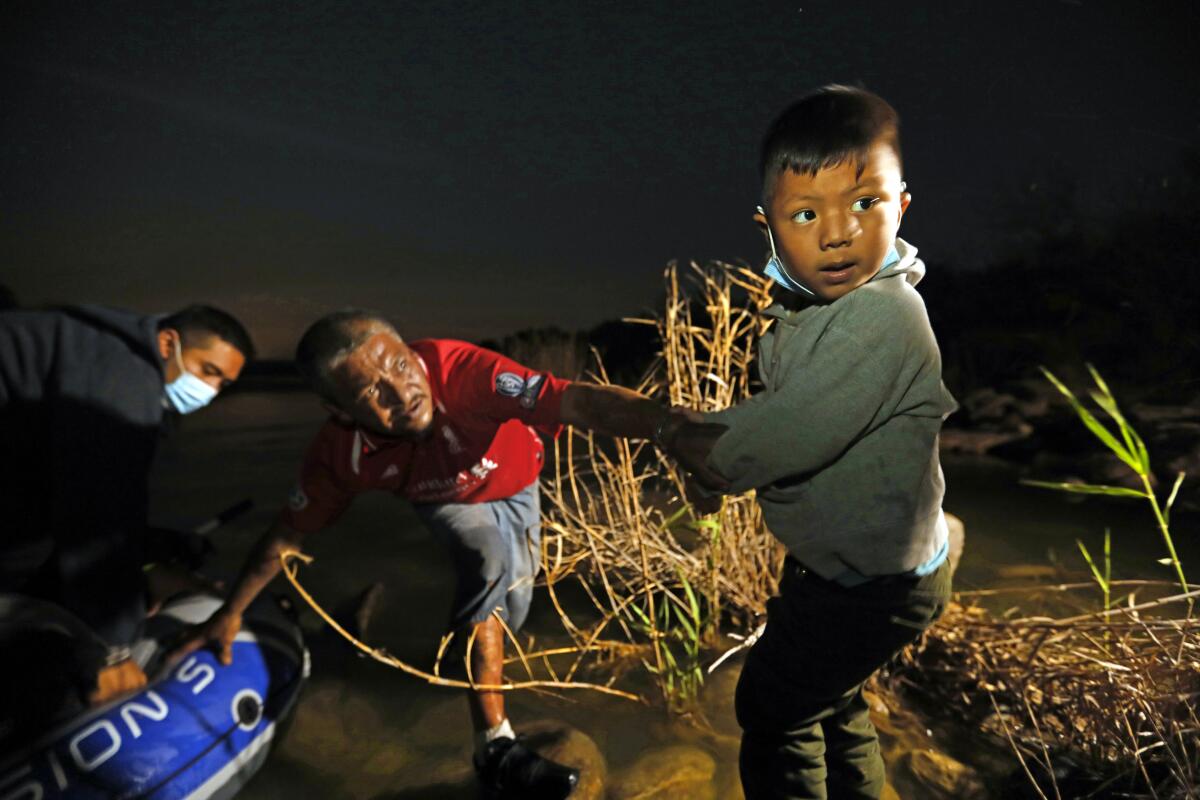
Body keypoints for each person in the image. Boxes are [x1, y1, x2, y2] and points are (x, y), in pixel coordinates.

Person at [172, 311, 665, 799]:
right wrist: (230, 614)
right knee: (489, 564)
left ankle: (463, 660)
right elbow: (285, 537)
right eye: (372, 393)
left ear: (412, 352)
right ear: (339, 410)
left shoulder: (466, 372)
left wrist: (673, 429)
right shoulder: (341, 453)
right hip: (447, 500)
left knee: (516, 599)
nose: (403, 393)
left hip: (518, 482)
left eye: (402, 368)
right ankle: (493, 745)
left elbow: (576, 401)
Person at [659, 85, 958, 799]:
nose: (837, 233)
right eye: (804, 214)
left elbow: (786, 432)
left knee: (772, 707)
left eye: (865, 204)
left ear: (902, 207)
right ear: (768, 228)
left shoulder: (885, 317)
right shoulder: (814, 312)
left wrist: (701, 450)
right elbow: (788, 410)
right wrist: (719, 446)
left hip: (875, 584)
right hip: (850, 570)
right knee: (834, 698)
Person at [0, 303, 253, 716]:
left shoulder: (89, 350)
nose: (210, 390)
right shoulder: (123, 374)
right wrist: (112, 647)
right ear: (168, 343)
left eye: (224, 384)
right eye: (208, 370)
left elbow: (79, 490)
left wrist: (147, 556)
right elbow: (98, 513)